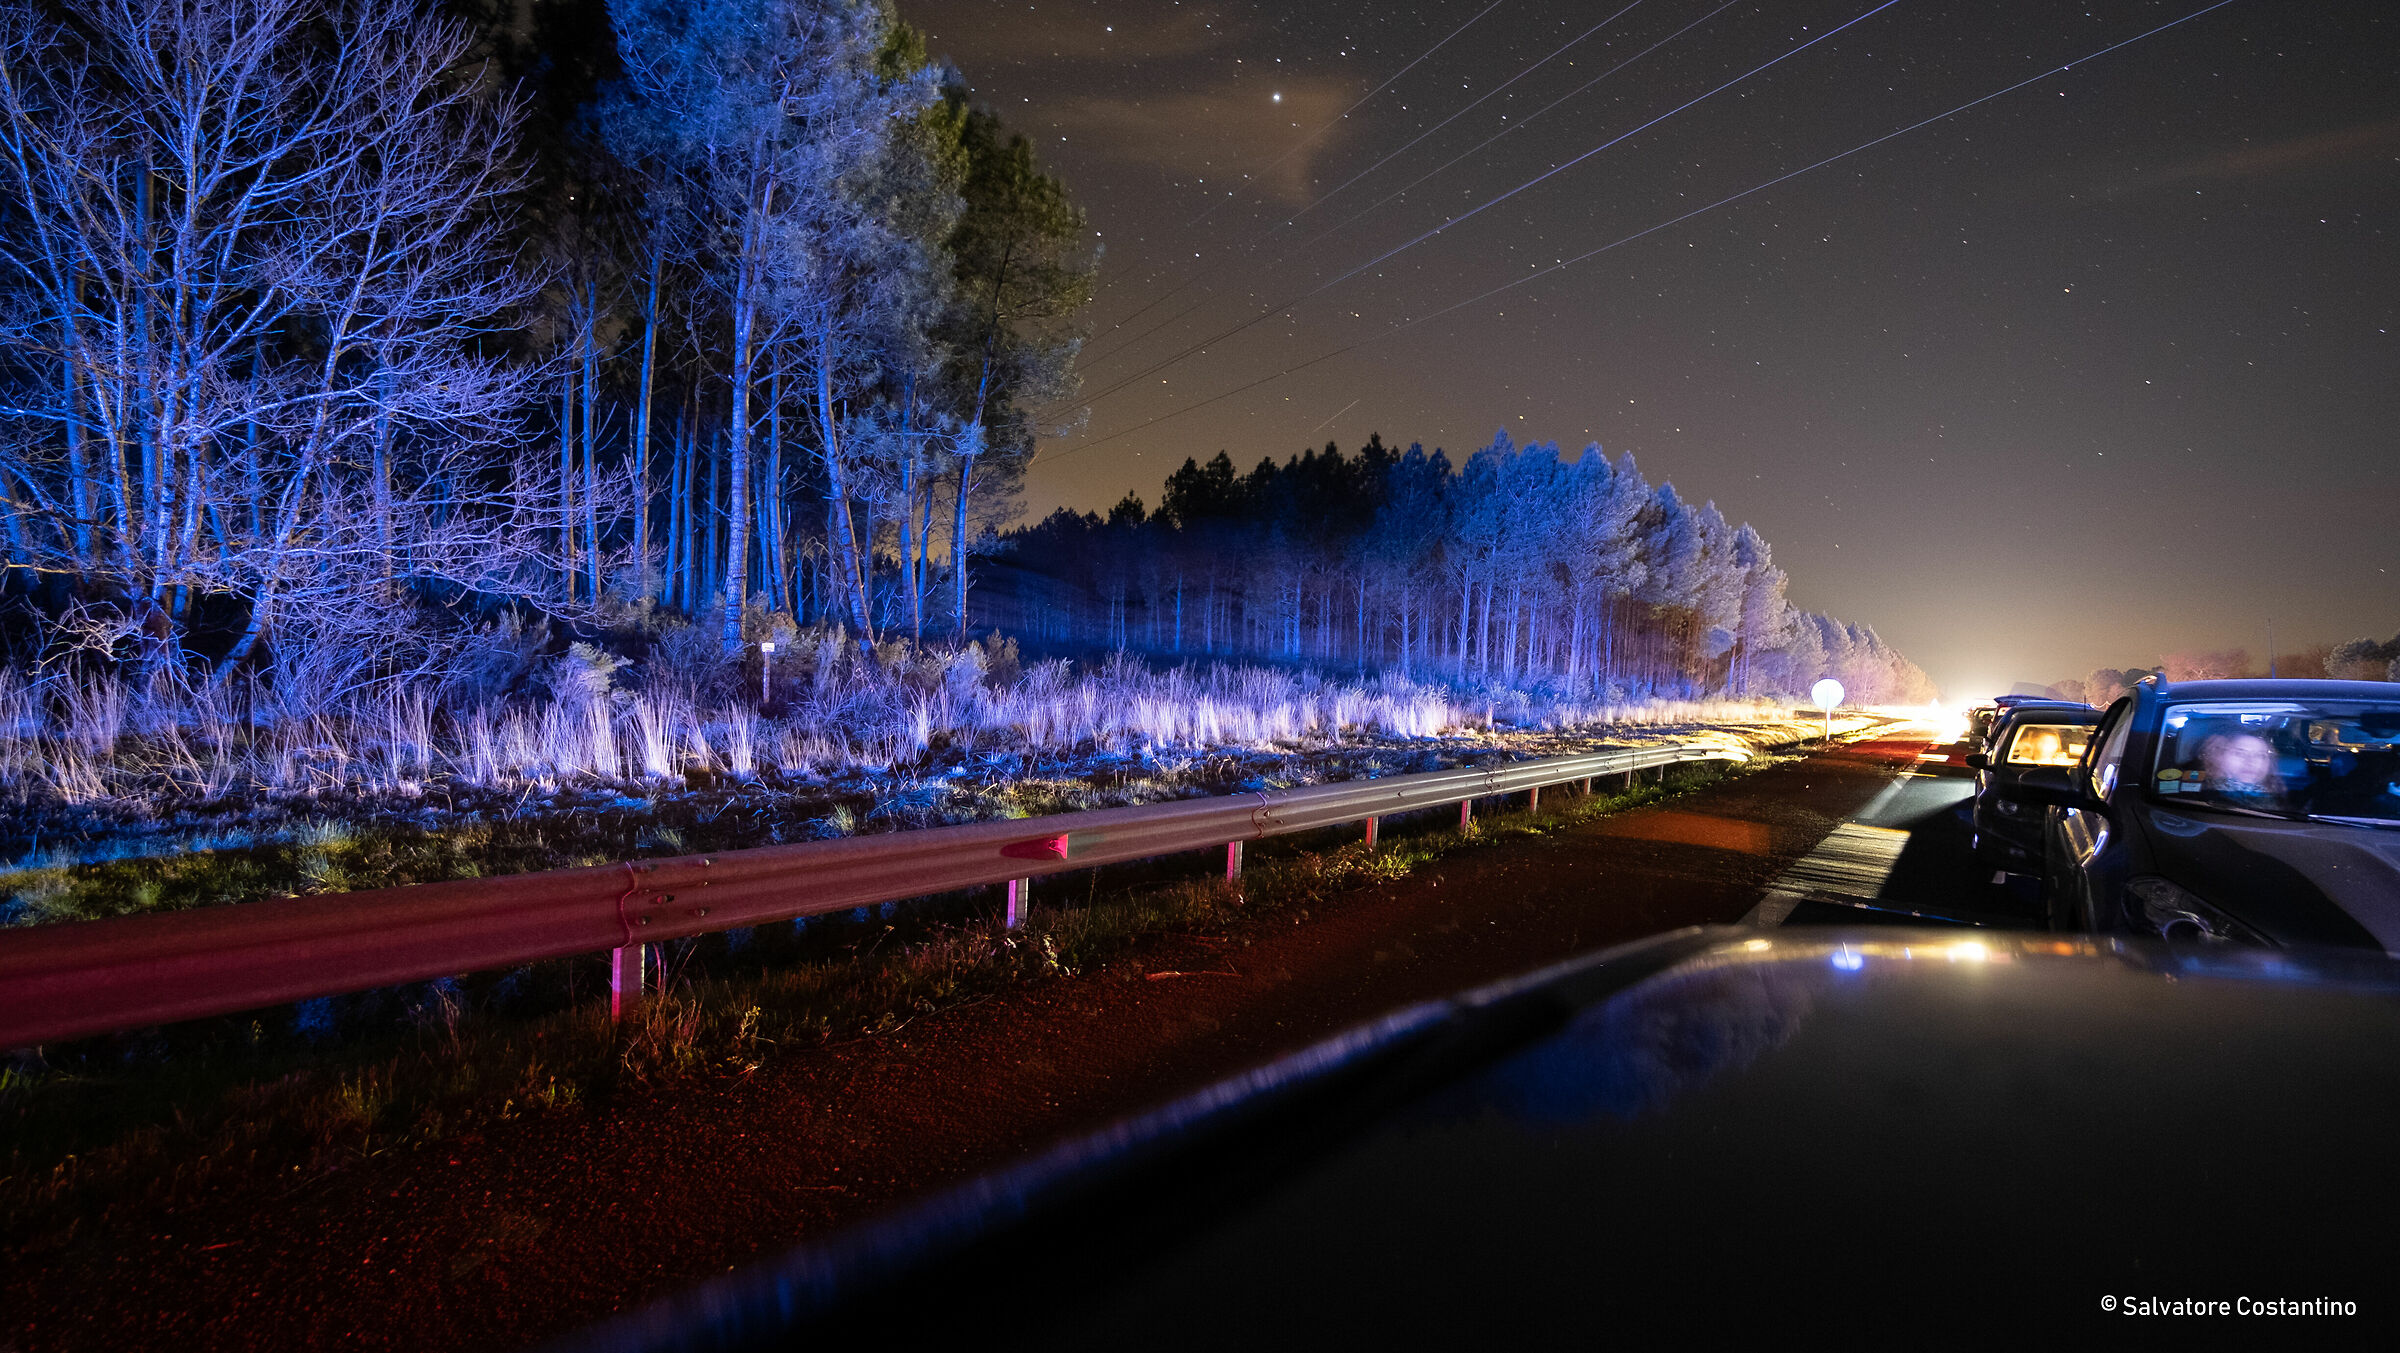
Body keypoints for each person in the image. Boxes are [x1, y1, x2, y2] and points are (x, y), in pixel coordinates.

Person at [2191, 730, 2285, 807]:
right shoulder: (2198, 794)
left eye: (2260, 755)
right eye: (2239, 753)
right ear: (2220, 757)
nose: (2251, 761)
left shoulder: (2279, 796)